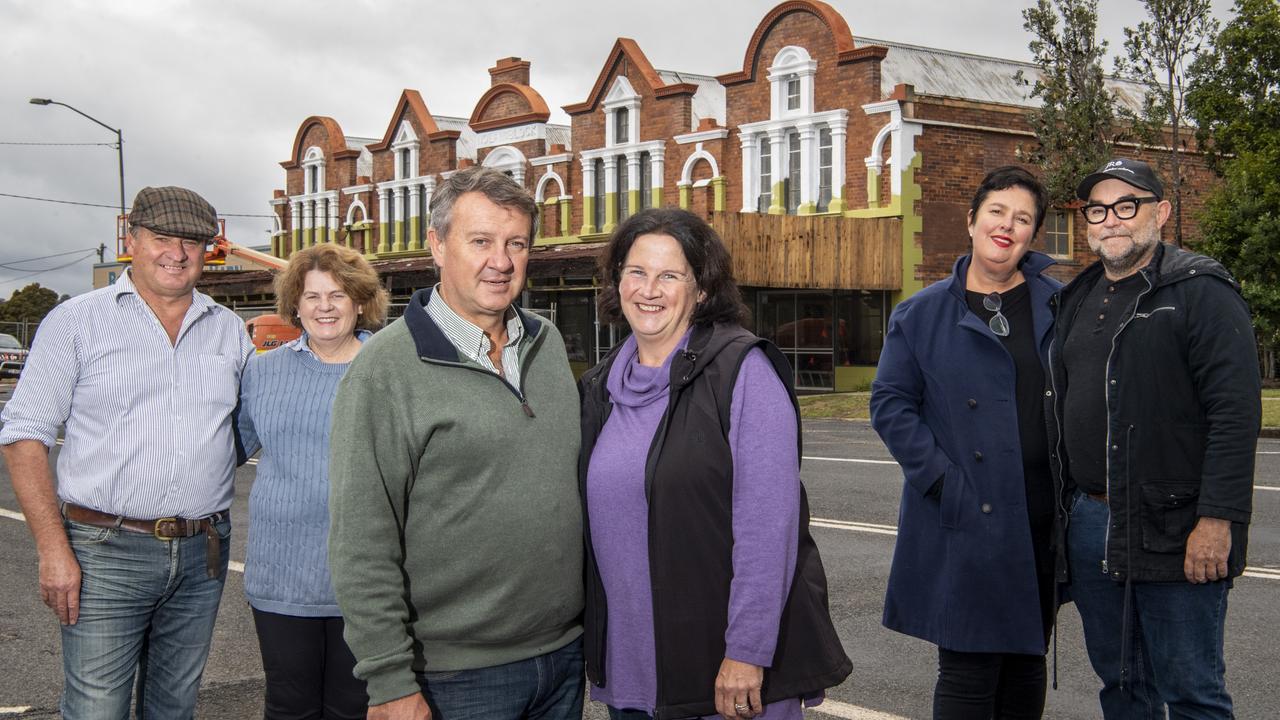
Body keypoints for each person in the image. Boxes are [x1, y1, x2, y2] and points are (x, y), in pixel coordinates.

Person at [327, 167, 584, 720]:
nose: (502, 260)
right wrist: (390, 681)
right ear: (437, 246)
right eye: (481, 241)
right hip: (452, 677)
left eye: (516, 243)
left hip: (563, 658)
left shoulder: (548, 342)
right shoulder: (384, 371)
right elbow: (361, 541)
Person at [579, 207, 851, 720]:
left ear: (701, 290)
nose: (648, 289)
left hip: (722, 674)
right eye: (635, 272)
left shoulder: (743, 372)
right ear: (617, 284)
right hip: (632, 671)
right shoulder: (600, 386)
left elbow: (768, 531)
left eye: (669, 275)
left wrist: (747, 652)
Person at [0, 186, 254, 718]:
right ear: (132, 239)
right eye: (162, 238)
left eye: (192, 242)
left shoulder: (230, 332)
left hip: (201, 551)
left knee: (175, 706)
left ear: (208, 250)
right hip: (102, 551)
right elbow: (24, 436)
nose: (177, 253)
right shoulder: (76, 322)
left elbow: (250, 427)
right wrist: (52, 549)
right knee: (97, 709)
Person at [1049, 158, 1261, 718]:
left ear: (1161, 212)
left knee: (1192, 692)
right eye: (1098, 209)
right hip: (1092, 524)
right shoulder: (1076, 296)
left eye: (1128, 205)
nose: (1111, 219)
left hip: (1178, 526)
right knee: (1121, 686)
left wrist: (1217, 521)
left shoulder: (1200, 290)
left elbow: (1235, 415)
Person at [870, 166, 1061, 718]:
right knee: (969, 669)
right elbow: (889, 403)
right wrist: (941, 479)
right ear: (972, 220)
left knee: (1027, 662)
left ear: (1032, 236)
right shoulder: (921, 313)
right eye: (997, 212)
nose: (1008, 226)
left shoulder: (1059, 305)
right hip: (965, 514)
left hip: (1038, 516)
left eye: (1022, 218)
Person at [234, 243, 389, 719]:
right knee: (289, 705)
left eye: (338, 295)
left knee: (354, 708)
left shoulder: (387, 371)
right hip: (282, 575)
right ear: (294, 305)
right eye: (312, 295)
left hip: (366, 580)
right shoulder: (260, 372)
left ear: (360, 302)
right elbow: (227, 450)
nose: (324, 307)